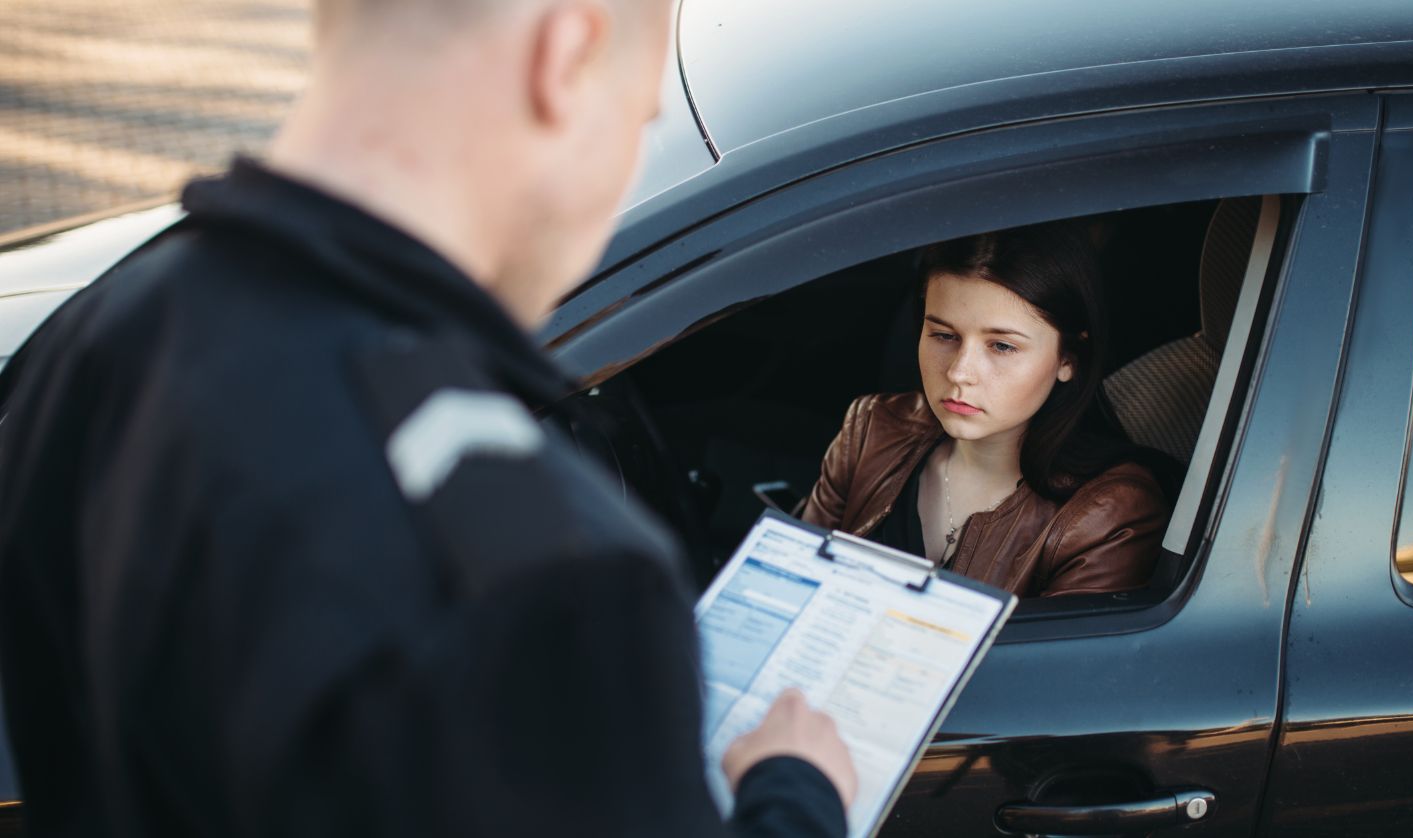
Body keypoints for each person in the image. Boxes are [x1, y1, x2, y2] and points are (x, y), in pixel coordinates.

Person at [0, 0, 855, 836]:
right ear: (564, 57)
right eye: (642, 121)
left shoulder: (95, 338)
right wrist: (797, 799)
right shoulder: (557, 585)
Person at [800, 222, 1172, 598]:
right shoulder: (872, 429)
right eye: (944, 336)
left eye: (1002, 347)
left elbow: (1052, 657)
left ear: (1068, 360)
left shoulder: (1108, 514)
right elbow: (790, 585)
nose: (959, 372)